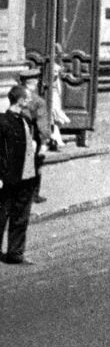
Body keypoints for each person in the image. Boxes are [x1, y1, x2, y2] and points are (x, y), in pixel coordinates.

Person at [0, 85, 41, 264]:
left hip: (26, 177)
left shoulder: (26, 119)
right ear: (21, 100)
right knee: (1, 216)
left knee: (21, 217)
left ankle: (15, 254)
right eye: (28, 98)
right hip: (8, 178)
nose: (31, 101)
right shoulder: (3, 121)